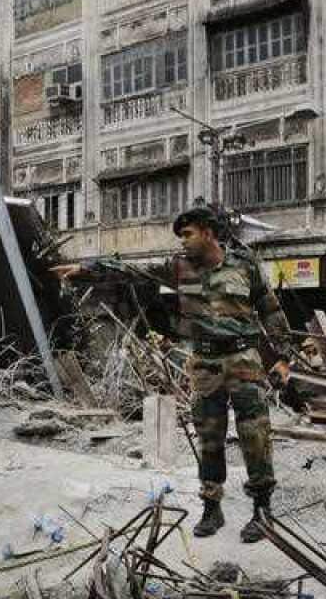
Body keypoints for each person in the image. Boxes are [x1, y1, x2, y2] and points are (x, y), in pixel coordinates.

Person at [52, 205, 291, 544]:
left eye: (188, 234)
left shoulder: (245, 265)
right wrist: (85, 268)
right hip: (205, 363)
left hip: (243, 359)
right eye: (180, 236)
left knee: (255, 433)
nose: (182, 242)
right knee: (209, 436)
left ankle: (262, 510)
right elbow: (129, 270)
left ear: (208, 233)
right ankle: (212, 507)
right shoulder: (178, 269)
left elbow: (270, 309)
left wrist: (282, 358)